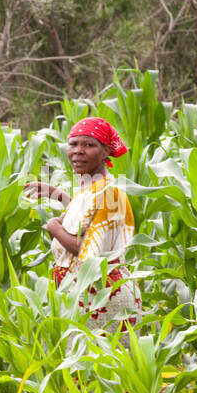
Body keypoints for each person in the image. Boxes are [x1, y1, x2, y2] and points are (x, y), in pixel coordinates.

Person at [24, 117, 142, 336]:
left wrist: (54, 228)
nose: (78, 151)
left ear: (106, 151)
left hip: (103, 300)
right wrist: (59, 196)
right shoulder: (92, 189)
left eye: (88, 145)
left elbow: (90, 253)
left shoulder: (110, 193)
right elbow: (89, 219)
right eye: (73, 144)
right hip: (84, 296)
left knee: (98, 367)